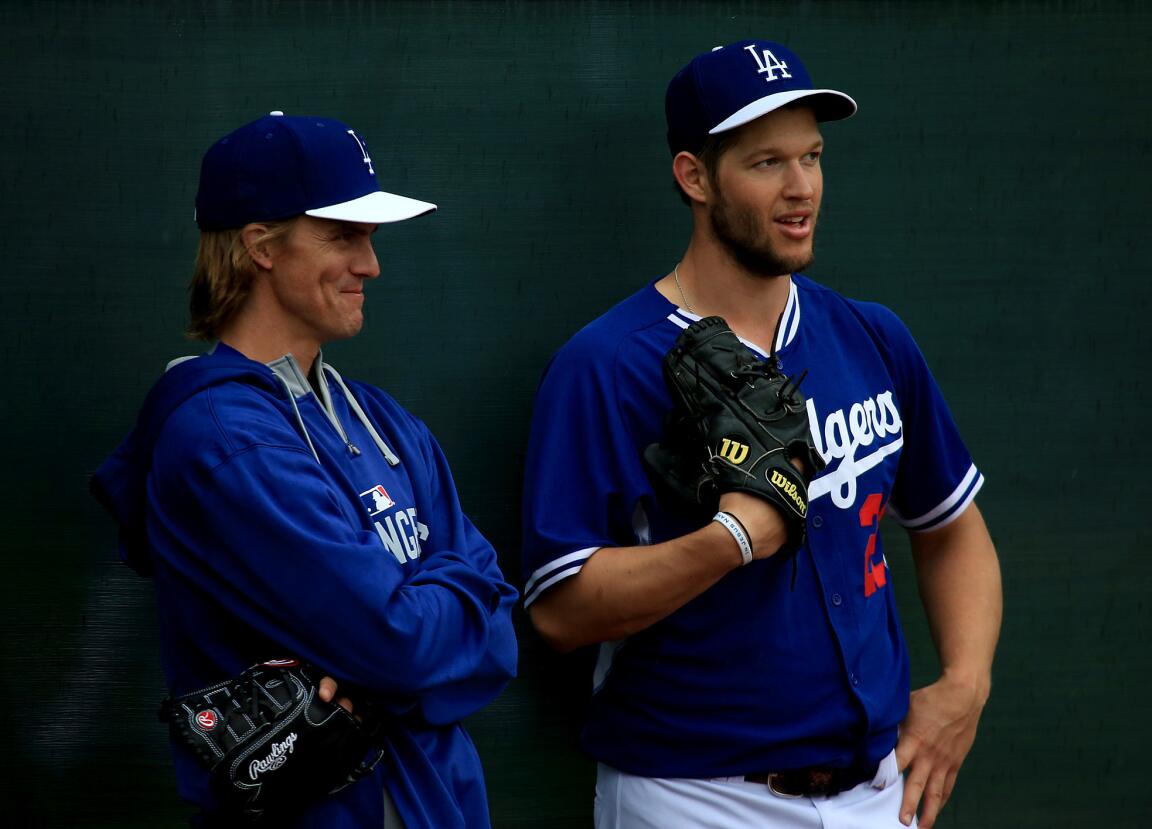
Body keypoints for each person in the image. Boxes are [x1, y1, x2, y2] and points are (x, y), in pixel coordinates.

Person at [521, 40, 1002, 829]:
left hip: (881, 790)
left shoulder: (870, 337)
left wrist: (965, 685)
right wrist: (731, 538)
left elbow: (951, 527)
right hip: (695, 794)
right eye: (767, 162)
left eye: (812, 156)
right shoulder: (606, 365)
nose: (801, 187)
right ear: (695, 176)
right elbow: (562, 610)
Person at [91, 112, 518, 828]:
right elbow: (401, 644)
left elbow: (500, 626)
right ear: (261, 245)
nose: (371, 265)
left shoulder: (382, 419)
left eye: (371, 238)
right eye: (342, 236)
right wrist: (427, 627)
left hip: (438, 804)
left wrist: (406, 639)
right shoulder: (222, 435)